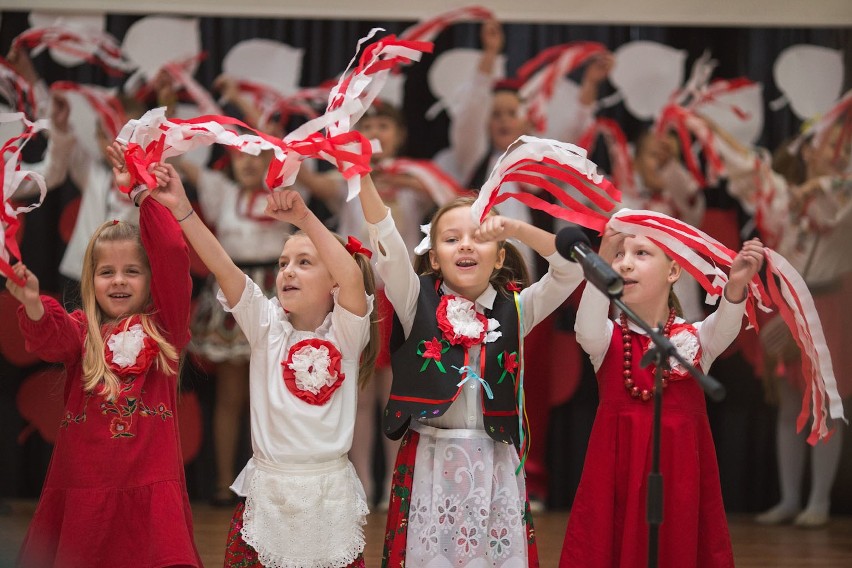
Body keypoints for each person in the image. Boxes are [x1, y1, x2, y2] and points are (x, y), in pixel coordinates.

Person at [156, 159, 377, 567]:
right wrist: (182, 208)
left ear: (332, 281)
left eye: (304, 262)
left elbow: (351, 278)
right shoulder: (266, 326)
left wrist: (305, 218)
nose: (287, 271)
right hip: (268, 492)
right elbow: (223, 266)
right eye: (282, 263)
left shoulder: (346, 334)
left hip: (329, 496)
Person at [356, 173, 584, 566]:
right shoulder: (415, 301)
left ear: (499, 256)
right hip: (429, 459)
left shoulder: (517, 308)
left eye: (479, 236)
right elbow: (387, 242)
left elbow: (570, 270)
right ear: (433, 257)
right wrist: (360, 175)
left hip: (495, 462)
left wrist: (515, 228)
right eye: (451, 239)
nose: (465, 244)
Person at [5, 157, 201, 567]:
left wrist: (142, 195)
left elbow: (170, 251)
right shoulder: (81, 332)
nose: (118, 281)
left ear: (151, 279)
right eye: (106, 272)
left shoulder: (165, 329)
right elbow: (50, 339)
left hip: (151, 487)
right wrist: (31, 303)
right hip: (84, 489)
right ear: (89, 280)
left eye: (132, 271)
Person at [559, 215, 765, 567]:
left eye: (641, 253)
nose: (626, 262)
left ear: (673, 272)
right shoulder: (607, 338)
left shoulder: (696, 339)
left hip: (678, 480)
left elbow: (726, 325)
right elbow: (587, 326)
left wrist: (735, 287)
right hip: (616, 477)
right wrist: (600, 263)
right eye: (620, 254)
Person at [298, 100, 452, 509]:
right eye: (371, 124)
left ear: (401, 133)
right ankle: (362, 481)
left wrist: (407, 181)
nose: (379, 129)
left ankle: (394, 484)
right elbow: (311, 182)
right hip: (357, 294)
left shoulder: (415, 177)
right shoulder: (346, 180)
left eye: (387, 123)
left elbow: (454, 200)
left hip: (402, 296)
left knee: (396, 394)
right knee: (360, 393)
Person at [710, 113, 851, 528]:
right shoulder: (783, 195)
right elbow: (747, 168)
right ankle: (790, 498)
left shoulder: (841, 196)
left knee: (826, 399)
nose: (838, 153)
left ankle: (819, 500)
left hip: (830, 305)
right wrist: (708, 126)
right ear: (806, 150)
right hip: (787, 302)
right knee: (790, 401)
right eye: (830, 144)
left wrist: (822, 185)